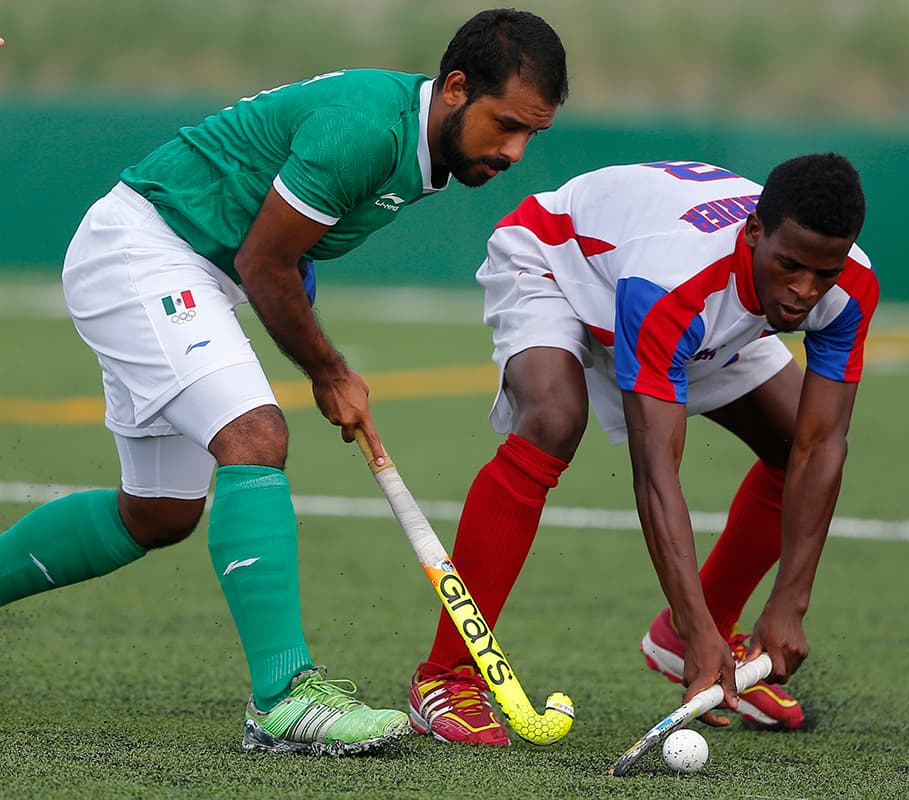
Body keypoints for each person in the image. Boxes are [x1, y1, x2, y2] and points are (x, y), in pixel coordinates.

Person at [0, 9, 567, 756]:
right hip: (149, 253)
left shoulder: (432, 148)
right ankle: (283, 697)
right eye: (507, 126)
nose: (516, 151)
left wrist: (318, 345)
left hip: (192, 265)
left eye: (534, 135)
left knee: (160, 513)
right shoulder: (368, 128)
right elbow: (263, 261)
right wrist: (329, 372)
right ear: (457, 88)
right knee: (255, 436)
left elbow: (294, 250)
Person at [405, 154, 877, 746]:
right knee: (553, 419)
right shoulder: (674, 279)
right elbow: (657, 472)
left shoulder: (849, 283)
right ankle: (446, 677)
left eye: (823, 274)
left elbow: (822, 443)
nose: (805, 291)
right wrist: (692, 617)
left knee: (790, 442)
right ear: (755, 232)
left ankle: (690, 640)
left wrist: (789, 602)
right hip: (563, 264)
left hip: (698, 306)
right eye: (790, 266)